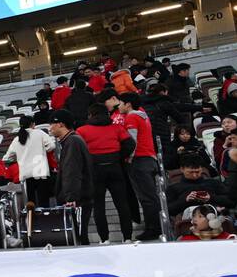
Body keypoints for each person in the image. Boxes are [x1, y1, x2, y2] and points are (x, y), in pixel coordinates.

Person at [76, 105, 134, 243]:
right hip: (115, 167)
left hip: (94, 170)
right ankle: (127, 237)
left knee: (98, 206)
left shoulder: (81, 130)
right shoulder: (116, 128)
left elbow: (78, 150)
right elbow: (130, 144)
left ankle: (104, 239)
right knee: (122, 204)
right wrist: (119, 157)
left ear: (90, 115)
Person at [117, 92, 164, 240]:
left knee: (146, 198)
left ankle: (153, 229)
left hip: (139, 160)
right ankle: (156, 226)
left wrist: (128, 158)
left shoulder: (131, 117)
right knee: (150, 196)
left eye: (120, 103)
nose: (119, 106)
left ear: (128, 104)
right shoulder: (143, 115)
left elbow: (132, 141)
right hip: (149, 158)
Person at [49, 111, 95, 244]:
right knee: (79, 235)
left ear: (61, 124)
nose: (50, 127)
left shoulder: (72, 141)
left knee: (78, 237)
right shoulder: (71, 140)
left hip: (77, 198)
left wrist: (71, 197)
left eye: (52, 124)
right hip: (79, 195)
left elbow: (72, 171)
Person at [3, 115, 57, 208]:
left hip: (25, 174)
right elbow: (51, 146)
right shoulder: (39, 133)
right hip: (40, 172)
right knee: (43, 202)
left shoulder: (17, 139)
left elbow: (7, 158)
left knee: (30, 204)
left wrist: (19, 157)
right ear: (33, 124)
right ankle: (45, 221)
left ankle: (32, 221)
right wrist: (43, 150)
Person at [166, 153, 234, 217]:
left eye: (197, 172)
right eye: (191, 172)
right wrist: (185, 200)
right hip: (187, 222)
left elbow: (231, 202)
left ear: (202, 169)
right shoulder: (173, 188)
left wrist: (211, 197)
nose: (195, 175)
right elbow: (169, 210)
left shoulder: (214, 183)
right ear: (182, 169)